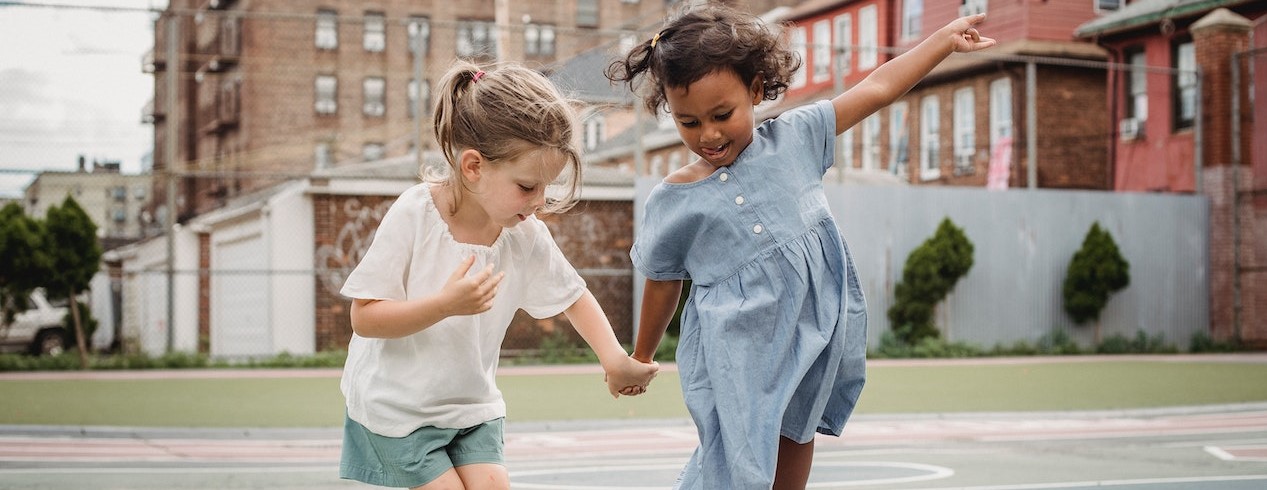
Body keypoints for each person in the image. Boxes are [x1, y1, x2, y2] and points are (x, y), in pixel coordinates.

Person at [605, 5, 995, 489]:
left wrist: (941, 42)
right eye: (688, 122)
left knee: (796, 433)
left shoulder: (797, 139)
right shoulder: (674, 200)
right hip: (737, 348)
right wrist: (640, 358)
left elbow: (876, 88)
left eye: (721, 115)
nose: (708, 134)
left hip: (812, 330)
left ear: (754, 90)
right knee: (736, 456)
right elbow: (663, 283)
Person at [338, 60, 660, 490]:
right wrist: (444, 306)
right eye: (528, 187)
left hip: (471, 408)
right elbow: (365, 318)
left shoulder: (525, 235)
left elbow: (573, 297)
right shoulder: (414, 215)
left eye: (547, 186)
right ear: (474, 167)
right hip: (399, 409)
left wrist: (614, 361)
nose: (540, 200)